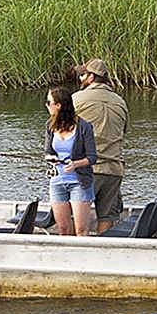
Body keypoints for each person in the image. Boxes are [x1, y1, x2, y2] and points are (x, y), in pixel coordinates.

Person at [72, 59, 129, 234]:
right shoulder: (120, 102)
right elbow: (124, 131)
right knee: (107, 217)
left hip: (85, 169)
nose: (81, 77)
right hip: (113, 170)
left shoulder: (76, 99)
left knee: (76, 216)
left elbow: (60, 131)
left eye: (83, 74)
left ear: (91, 77)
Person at [44, 86, 97, 236]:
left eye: (49, 102)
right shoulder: (50, 125)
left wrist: (75, 164)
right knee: (63, 229)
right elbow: (48, 152)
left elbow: (92, 158)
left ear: (59, 105)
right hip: (57, 181)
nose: (47, 105)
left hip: (79, 182)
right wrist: (51, 158)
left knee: (81, 229)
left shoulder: (83, 127)